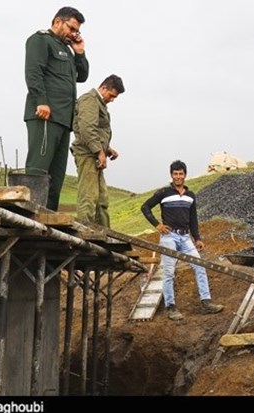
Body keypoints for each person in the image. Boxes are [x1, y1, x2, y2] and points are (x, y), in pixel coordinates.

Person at [23, 6, 90, 211]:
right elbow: (34, 72)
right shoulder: (41, 40)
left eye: (76, 31)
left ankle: (48, 218)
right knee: (38, 171)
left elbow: (82, 76)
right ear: (57, 21)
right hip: (45, 115)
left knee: (56, 177)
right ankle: (29, 215)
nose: (73, 34)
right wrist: (41, 101)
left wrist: (79, 53)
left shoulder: (68, 51)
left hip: (63, 120)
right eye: (71, 28)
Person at [141, 160, 224, 321]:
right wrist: (157, 225)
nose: (178, 177)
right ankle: (171, 307)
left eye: (181, 174)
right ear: (171, 175)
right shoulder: (164, 193)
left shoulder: (190, 196)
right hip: (169, 237)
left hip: (185, 237)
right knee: (169, 272)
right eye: (175, 174)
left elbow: (193, 218)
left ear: (185, 175)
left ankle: (206, 302)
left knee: (199, 266)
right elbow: (145, 207)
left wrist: (197, 238)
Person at [70, 74, 125, 227]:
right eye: (111, 95)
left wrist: (107, 149)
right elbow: (87, 129)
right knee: (88, 196)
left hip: (94, 154)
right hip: (87, 155)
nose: (112, 99)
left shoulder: (99, 103)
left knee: (102, 199)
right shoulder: (89, 100)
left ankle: (104, 233)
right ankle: (84, 231)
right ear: (103, 88)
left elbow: (95, 132)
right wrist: (99, 152)